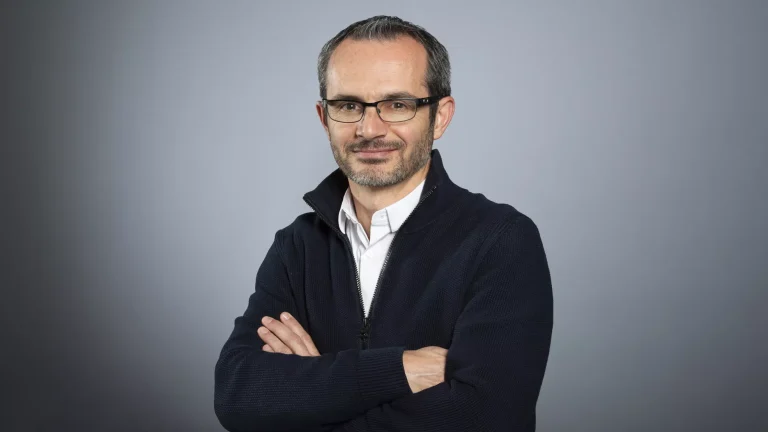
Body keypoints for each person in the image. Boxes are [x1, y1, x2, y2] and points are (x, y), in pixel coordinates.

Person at [214, 15, 553, 432]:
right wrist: (397, 371)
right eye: (348, 105)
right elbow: (236, 395)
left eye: (397, 105)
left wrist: (312, 392)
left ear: (440, 116)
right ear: (324, 117)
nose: (369, 129)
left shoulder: (500, 240)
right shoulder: (296, 247)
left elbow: (485, 418)